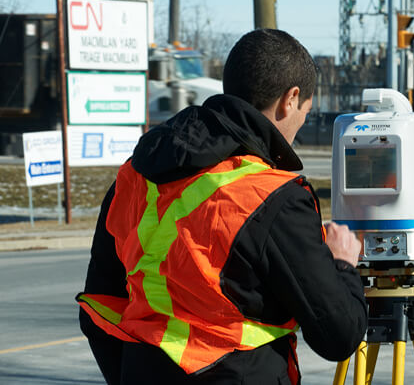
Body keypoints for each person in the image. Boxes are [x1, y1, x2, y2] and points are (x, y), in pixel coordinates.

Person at [77, 29, 368, 384]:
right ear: (290, 99)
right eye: (305, 112)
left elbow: (100, 305)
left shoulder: (134, 176)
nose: (299, 126)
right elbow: (338, 335)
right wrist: (342, 263)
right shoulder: (273, 196)